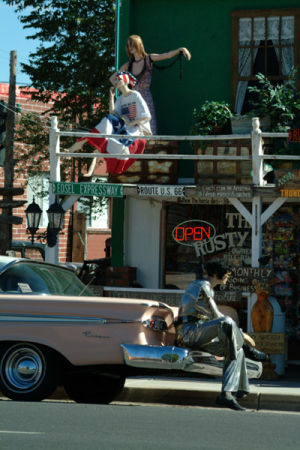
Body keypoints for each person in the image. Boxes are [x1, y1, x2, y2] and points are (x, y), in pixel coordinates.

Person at [176, 262, 268, 411]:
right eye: (227, 273)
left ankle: (229, 393)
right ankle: (248, 348)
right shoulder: (201, 285)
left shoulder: (209, 289)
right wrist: (243, 336)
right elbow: (217, 317)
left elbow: (214, 320)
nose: (228, 276)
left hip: (202, 334)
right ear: (216, 273)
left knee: (236, 349)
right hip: (189, 332)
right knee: (226, 322)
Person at [68, 71, 151, 175]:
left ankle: (83, 143)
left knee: (109, 140)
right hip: (125, 127)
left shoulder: (135, 95)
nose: (116, 81)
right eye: (115, 79)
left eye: (119, 79)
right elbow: (113, 113)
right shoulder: (121, 98)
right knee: (108, 121)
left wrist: (131, 123)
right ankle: (82, 145)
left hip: (137, 130)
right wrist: (111, 97)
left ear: (126, 81)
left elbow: (147, 116)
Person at [109, 34, 191, 134]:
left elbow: (166, 55)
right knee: (132, 127)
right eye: (128, 45)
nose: (130, 48)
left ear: (138, 44)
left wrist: (180, 49)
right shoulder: (128, 65)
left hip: (145, 97)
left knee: (148, 125)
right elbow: (112, 78)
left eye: (132, 44)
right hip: (132, 99)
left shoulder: (149, 59)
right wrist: (122, 88)